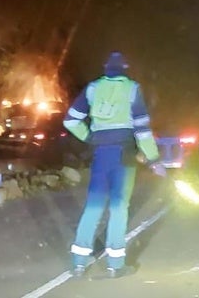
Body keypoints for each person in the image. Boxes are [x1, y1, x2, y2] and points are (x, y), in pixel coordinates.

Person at [63, 51, 166, 279]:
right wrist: (153, 159)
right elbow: (142, 128)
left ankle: (79, 262)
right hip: (124, 155)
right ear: (125, 68)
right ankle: (115, 265)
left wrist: (90, 137)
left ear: (106, 67)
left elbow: (70, 120)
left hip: (101, 154)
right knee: (119, 207)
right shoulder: (131, 89)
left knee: (94, 205)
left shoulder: (92, 88)